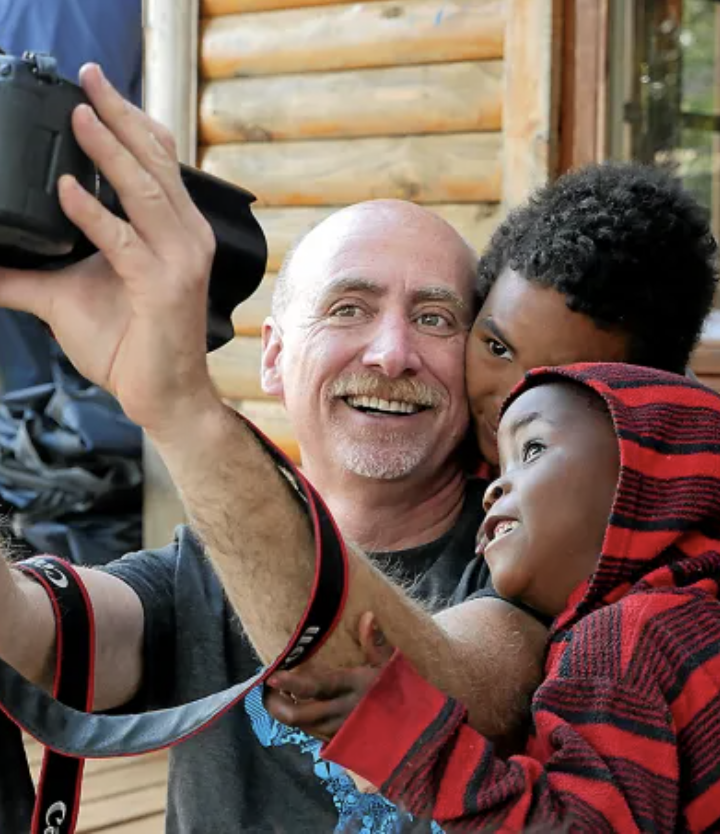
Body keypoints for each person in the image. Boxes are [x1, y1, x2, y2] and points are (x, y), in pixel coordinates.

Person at [0, 65, 715, 833]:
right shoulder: (205, 561)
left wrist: (180, 405)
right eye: (349, 307)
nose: (390, 353)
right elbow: (32, 632)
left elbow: (408, 676)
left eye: (437, 319)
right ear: (273, 357)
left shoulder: (538, 552)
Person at [316, 362, 720, 833]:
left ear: (643, 479)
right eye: (500, 468)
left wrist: (400, 735)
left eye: (532, 449)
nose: (493, 489)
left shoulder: (627, 637)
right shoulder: (692, 623)